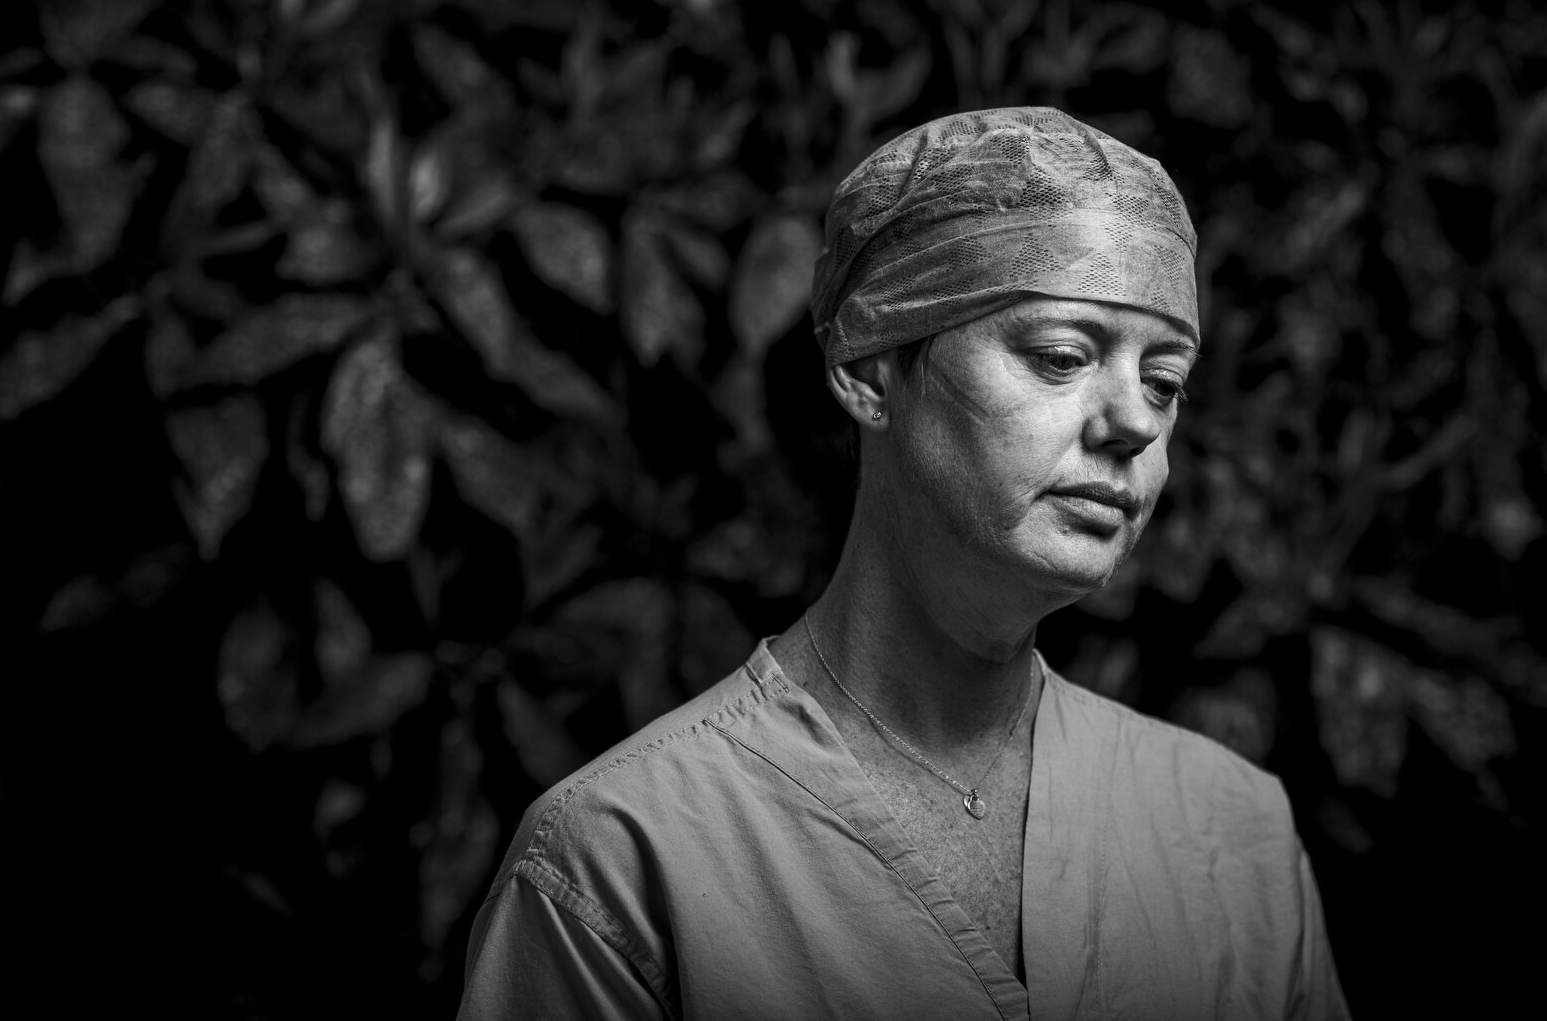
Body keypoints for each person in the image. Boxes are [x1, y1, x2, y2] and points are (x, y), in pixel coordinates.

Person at [456, 107, 1351, 1020]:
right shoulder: (623, 860)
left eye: (1164, 383)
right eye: (1060, 356)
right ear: (870, 371)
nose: (1135, 424)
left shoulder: (1234, 835)